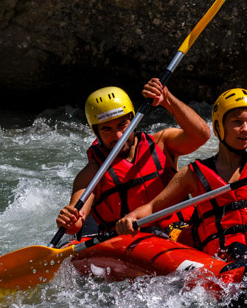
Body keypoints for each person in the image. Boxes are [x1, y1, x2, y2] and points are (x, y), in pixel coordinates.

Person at [115, 88, 247, 258]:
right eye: (237, 122)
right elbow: (154, 207)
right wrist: (131, 218)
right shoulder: (194, 174)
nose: (245, 129)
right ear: (219, 126)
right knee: (239, 250)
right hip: (228, 255)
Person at [56, 78, 210, 235]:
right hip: (132, 243)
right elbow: (74, 224)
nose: (118, 135)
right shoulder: (91, 174)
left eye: (122, 125)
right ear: (97, 133)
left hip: (180, 231)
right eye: (107, 129)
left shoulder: (162, 143)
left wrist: (167, 100)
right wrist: (68, 220)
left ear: (134, 121)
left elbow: (202, 135)